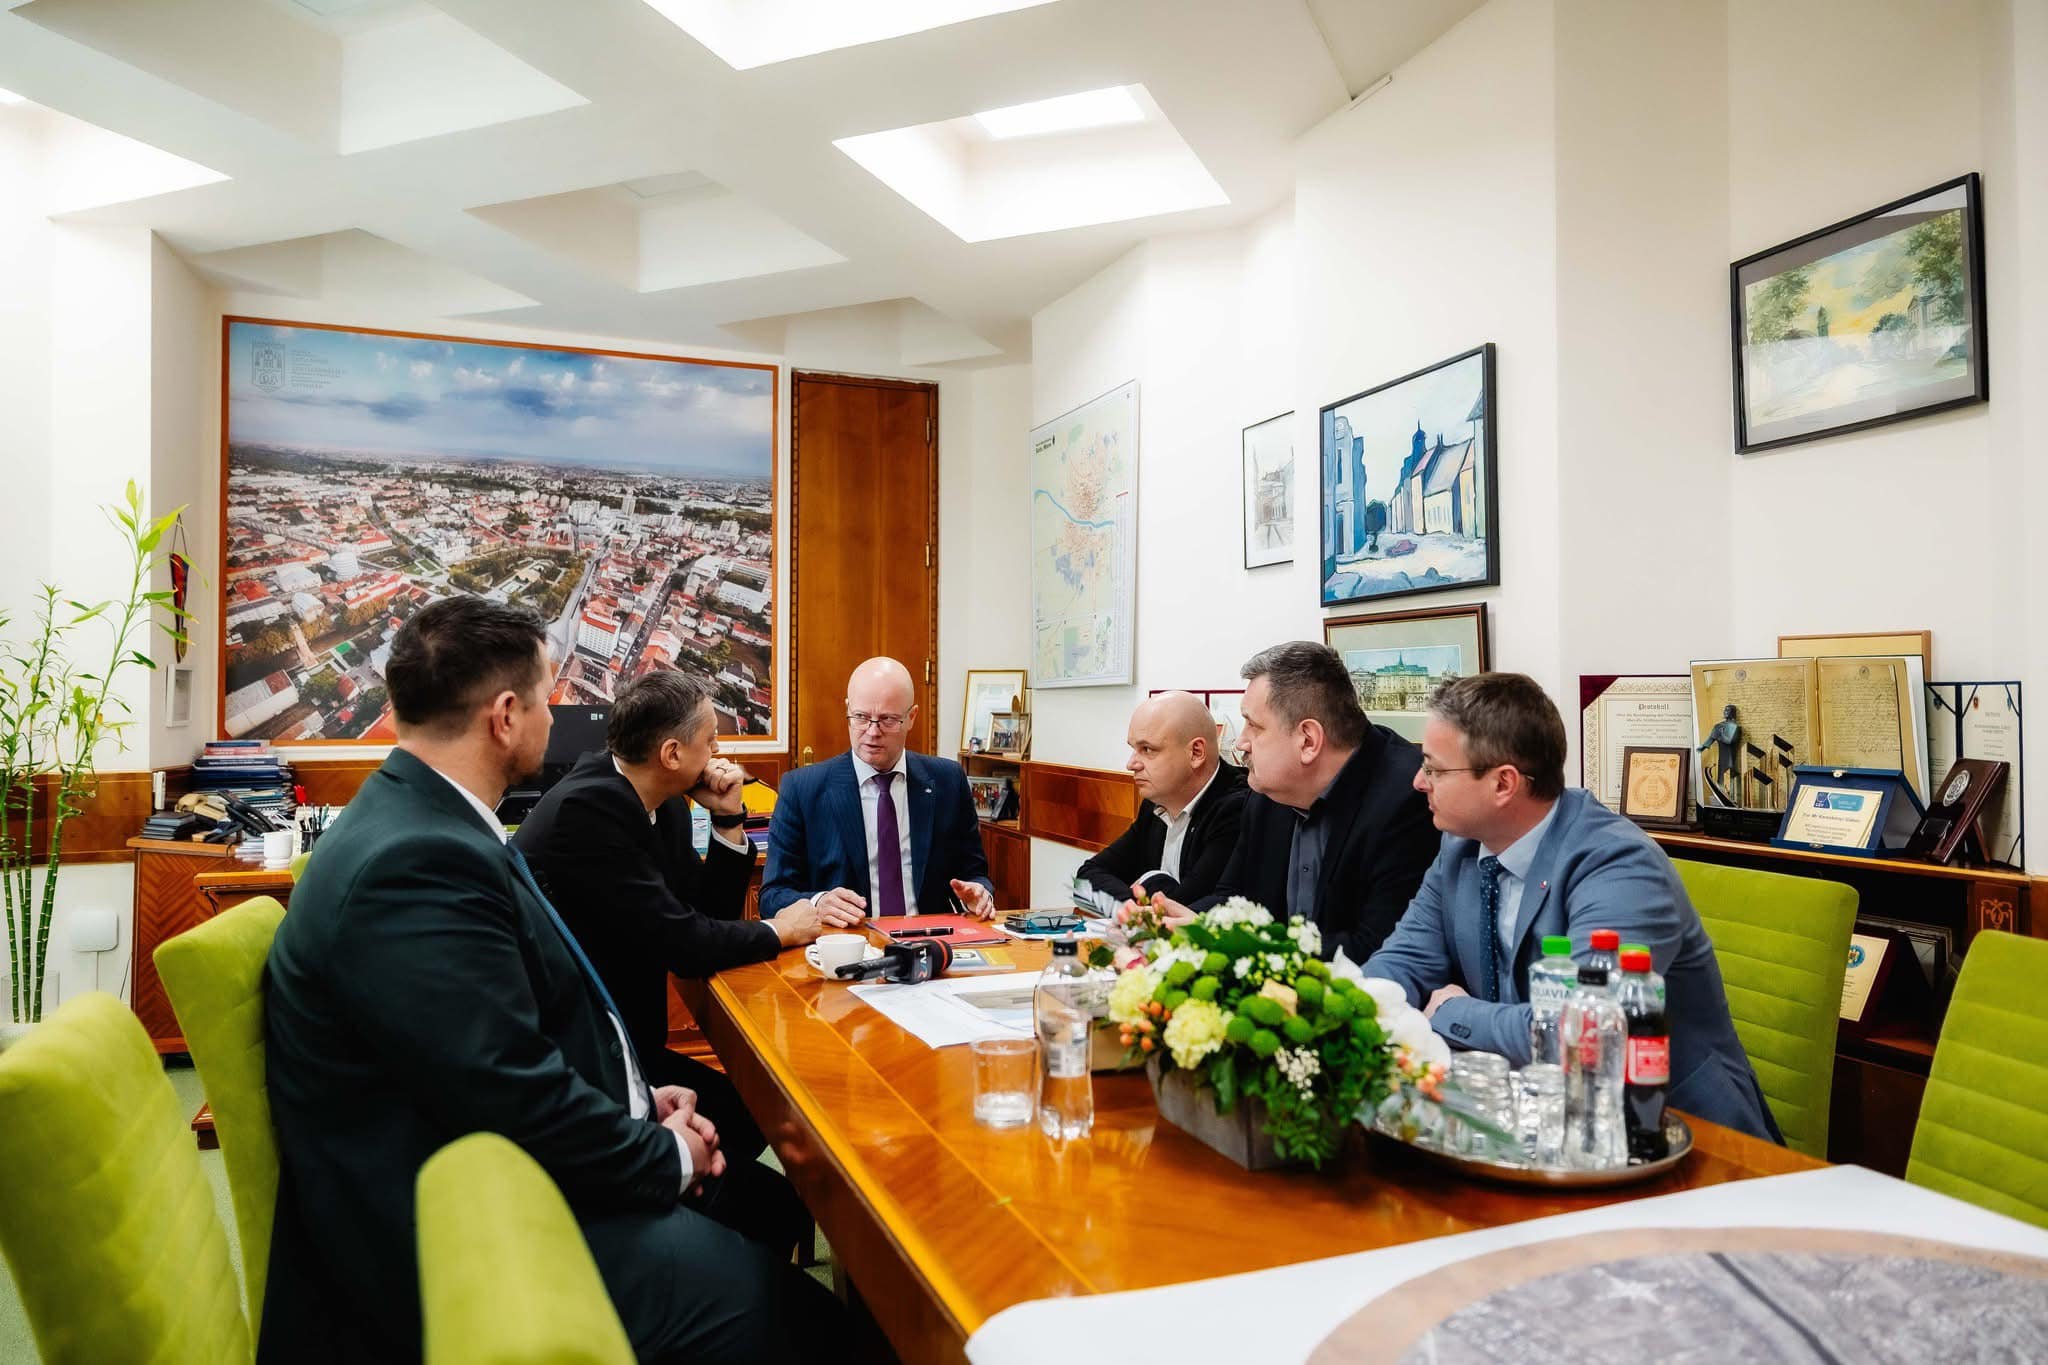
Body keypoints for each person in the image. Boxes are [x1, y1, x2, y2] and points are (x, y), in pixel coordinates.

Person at [263, 597, 848, 1363]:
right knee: (816, 1328)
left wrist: (633, 1100)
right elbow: (509, 1089)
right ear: (507, 716)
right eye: (548, 698)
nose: (559, 716)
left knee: (766, 1234)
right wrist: (662, 1152)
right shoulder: (414, 863)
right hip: (464, 1241)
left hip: (501, 1169)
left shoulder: (426, 822)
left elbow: (496, 1046)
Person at [1362, 671, 1781, 1141]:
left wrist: (1450, 1012)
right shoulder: (1460, 847)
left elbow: (1583, 1031)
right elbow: (1402, 961)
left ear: (1503, 784)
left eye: (1435, 769)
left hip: (1672, 1133)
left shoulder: (1618, 864)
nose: (1419, 782)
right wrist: (1349, 1009)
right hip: (1534, 1120)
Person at [512, 668, 838, 1259]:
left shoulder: (656, 801)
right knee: (770, 1193)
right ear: (671, 753)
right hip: (582, 1062)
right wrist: (779, 929)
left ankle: (696, 1200)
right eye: (710, 740)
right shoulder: (591, 809)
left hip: (624, 1040)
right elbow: (685, 943)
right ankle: (685, 1224)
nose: (718, 754)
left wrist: (728, 820)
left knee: (749, 1110)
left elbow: (700, 912)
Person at [1148, 641, 1440, 962]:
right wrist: (1192, 923)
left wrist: (1244, 946)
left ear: (1308, 741)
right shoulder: (1268, 791)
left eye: (1254, 726)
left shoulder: (1408, 798)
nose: (1241, 742)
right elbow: (1233, 896)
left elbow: (1377, 946)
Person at [760, 656, 995, 920]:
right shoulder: (802, 789)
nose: (872, 732)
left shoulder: (948, 781)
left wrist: (979, 894)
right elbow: (772, 896)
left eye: (888, 719)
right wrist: (817, 902)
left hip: (928, 938)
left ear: (911, 717)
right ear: (848, 710)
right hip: (847, 939)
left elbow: (975, 874)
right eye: (861, 717)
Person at [1076, 690, 1249, 904]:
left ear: (1196, 753)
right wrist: (1135, 905)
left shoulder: (1236, 809)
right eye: (1134, 749)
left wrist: (1148, 884)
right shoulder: (1156, 802)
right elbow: (1085, 879)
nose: (1131, 764)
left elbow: (1184, 909)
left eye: (1147, 749)